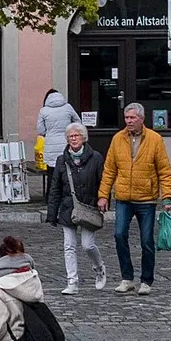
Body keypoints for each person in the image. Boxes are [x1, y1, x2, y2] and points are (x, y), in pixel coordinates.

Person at [99, 101, 171, 296]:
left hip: (146, 199)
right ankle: (127, 278)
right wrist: (103, 195)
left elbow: (164, 171)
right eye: (126, 118)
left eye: (132, 118)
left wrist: (167, 197)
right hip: (124, 197)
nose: (129, 121)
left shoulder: (155, 139)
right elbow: (109, 170)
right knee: (119, 235)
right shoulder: (117, 139)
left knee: (146, 241)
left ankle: (146, 280)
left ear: (142, 119)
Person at [42, 121, 108, 294]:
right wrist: (52, 213)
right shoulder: (62, 160)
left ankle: (99, 267)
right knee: (69, 246)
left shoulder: (96, 158)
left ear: (83, 137)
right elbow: (55, 187)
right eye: (70, 136)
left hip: (89, 207)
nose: (73, 139)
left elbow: (103, 182)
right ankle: (72, 282)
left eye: (76, 135)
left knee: (87, 245)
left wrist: (103, 199)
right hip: (67, 207)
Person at [36, 89, 79, 169]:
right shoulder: (68, 107)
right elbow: (78, 123)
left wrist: (49, 133)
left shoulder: (43, 111)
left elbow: (40, 130)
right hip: (66, 143)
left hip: (50, 145)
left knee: (52, 173)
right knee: (67, 170)